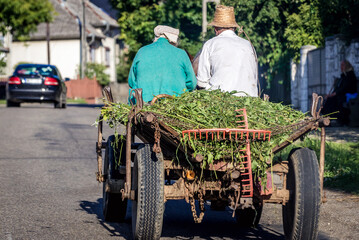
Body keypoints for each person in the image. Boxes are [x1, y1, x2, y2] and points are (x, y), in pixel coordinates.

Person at [196, 5, 258, 97]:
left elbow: (202, 82)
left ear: (216, 29)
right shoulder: (248, 45)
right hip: (250, 98)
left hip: (220, 98)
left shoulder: (210, 44)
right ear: (234, 28)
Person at [128, 25, 197, 103]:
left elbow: (131, 81)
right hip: (175, 104)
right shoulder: (181, 54)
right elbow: (192, 83)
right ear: (173, 40)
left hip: (143, 105)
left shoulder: (141, 51)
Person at [322, 60, 358, 125]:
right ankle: (326, 117)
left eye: (343, 65)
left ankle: (333, 119)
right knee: (329, 99)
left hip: (349, 94)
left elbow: (345, 88)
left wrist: (334, 94)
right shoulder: (343, 76)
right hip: (341, 94)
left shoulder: (350, 75)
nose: (341, 67)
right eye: (341, 65)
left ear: (347, 66)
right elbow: (339, 88)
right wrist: (332, 94)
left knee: (334, 100)